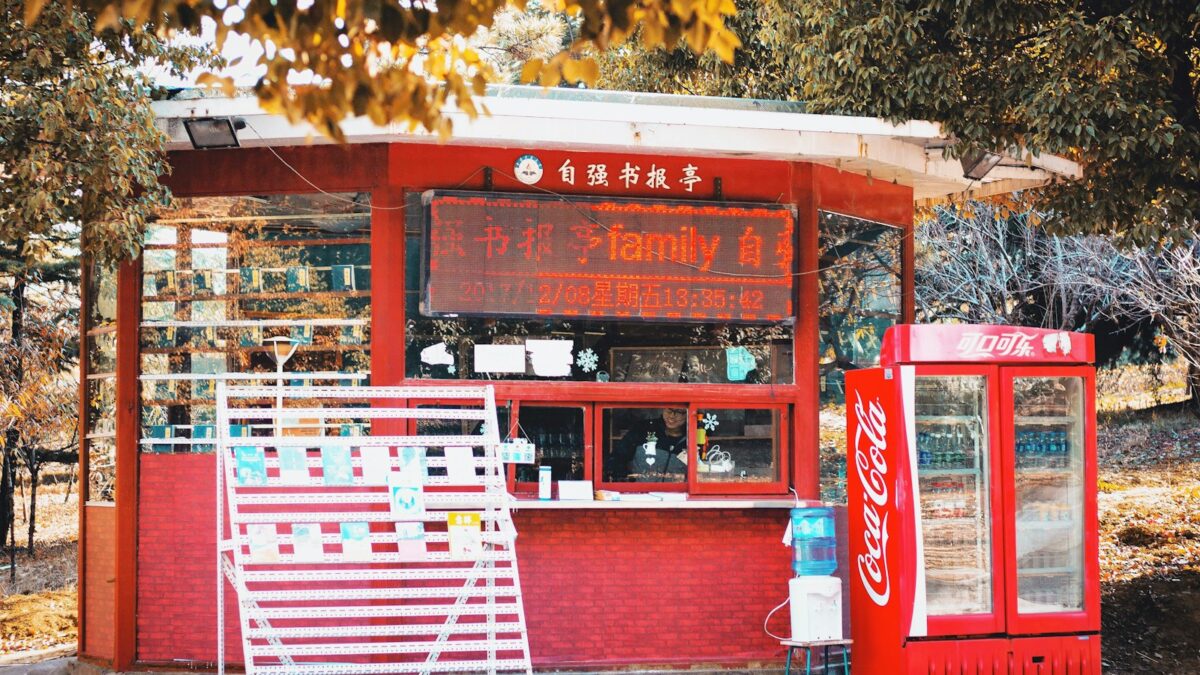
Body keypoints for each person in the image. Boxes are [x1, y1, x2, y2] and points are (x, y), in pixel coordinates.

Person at [606, 407, 689, 482]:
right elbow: (616, 459)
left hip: (677, 495)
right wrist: (629, 483)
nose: (672, 416)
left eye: (679, 412)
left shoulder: (693, 438)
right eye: (669, 410)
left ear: (688, 413)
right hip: (641, 495)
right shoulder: (643, 429)